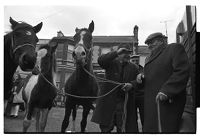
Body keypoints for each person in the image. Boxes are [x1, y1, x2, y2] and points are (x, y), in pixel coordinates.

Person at [137, 32, 190, 132]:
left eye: (152, 42)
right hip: (151, 104)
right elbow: (151, 77)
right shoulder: (148, 58)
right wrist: (142, 78)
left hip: (168, 102)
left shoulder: (174, 48)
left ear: (161, 40)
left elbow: (182, 71)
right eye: (148, 44)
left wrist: (167, 91)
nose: (149, 46)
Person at [91, 45, 140, 133]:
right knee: (106, 129)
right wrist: (116, 52)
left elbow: (138, 82)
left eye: (128, 53)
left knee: (123, 129)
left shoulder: (134, 67)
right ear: (119, 53)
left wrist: (131, 85)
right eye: (124, 53)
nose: (127, 55)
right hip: (108, 103)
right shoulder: (110, 63)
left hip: (124, 104)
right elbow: (101, 60)